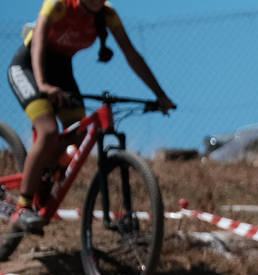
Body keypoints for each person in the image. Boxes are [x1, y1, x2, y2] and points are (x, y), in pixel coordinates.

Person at [6, 0, 172, 232]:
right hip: (29, 68)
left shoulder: (107, 15)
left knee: (79, 133)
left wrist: (160, 95)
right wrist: (42, 84)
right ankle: (22, 207)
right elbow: (38, 43)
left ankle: (46, 175)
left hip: (61, 72)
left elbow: (132, 55)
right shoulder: (58, 5)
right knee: (49, 131)